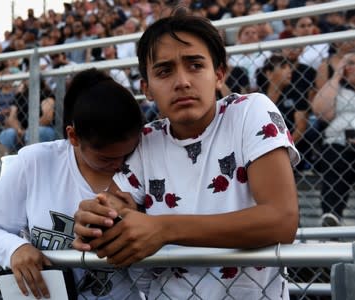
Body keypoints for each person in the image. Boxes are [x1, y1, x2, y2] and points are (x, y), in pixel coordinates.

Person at [73, 11, 300, 299]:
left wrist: (164, 229)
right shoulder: (146, 140)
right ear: (147, 89)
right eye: (164, 71)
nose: (182, 81)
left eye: (195, 65)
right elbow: (118, 206)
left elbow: (281, 219)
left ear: (219, 74)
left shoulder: (250, 112)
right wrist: (97, 220)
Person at [0, 68, 145, 299]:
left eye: (126, 155)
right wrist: (14, 249)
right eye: (106, 158)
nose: (119, 164)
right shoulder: (36, 162)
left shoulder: (143, 164)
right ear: (73, 136)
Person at [311, 52, 355, 226]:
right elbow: (321, 111)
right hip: (339, 141)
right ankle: (331, 216)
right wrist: (337, 75)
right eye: (349, 63)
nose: (352, 67)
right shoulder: (338, 88)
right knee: (336, 161)